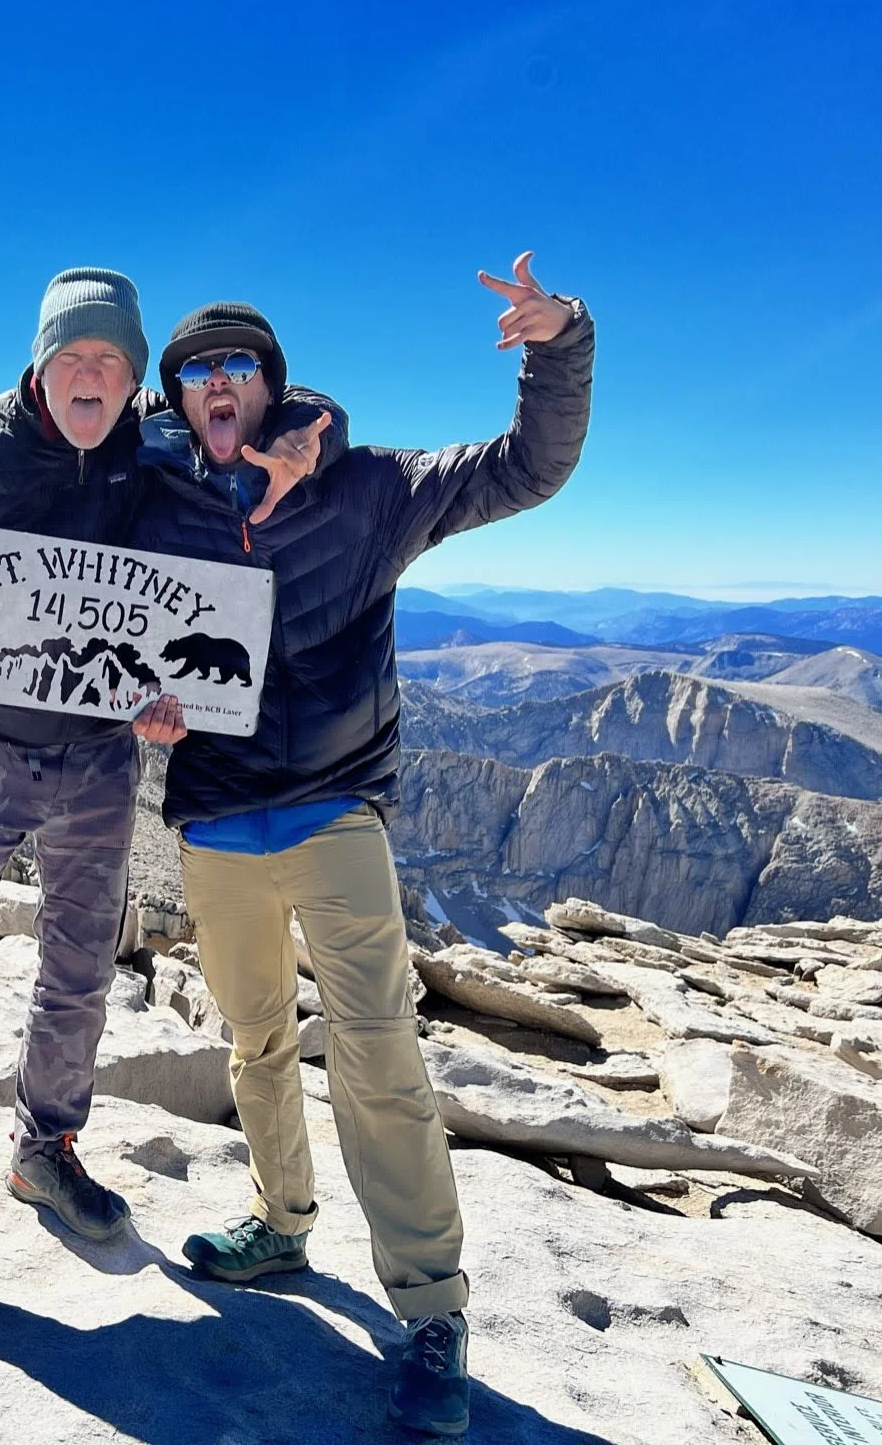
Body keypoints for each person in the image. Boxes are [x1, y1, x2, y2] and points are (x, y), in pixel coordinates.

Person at [130, 254, 594, 1437]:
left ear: (271, 385)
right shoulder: (155, 503)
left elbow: (524, 468)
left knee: (381, 1057)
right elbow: (75, 612)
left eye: (238, 364)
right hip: (218, 818)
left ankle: (432, 1311)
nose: (217, 381)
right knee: (252, 1037)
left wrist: (559, 343)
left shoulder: (371, 487)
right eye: (195, 370)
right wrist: (141, 699)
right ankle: (281, 1226)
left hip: (336, 807)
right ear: (176, 397)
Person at [0, 268, 335, 1287]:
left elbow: (293, 413)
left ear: (134, 375)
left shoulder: (152, 436)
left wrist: (178, 687)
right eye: (75, 356)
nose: (92, 373)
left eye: (113, 359)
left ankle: (45, 1153)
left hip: (101, 752)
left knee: (83, 963)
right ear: (42, 361)